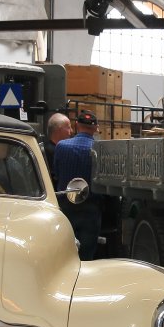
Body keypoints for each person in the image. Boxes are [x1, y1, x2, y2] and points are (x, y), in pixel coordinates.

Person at [52, 109, 101, 259]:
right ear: (95, 128)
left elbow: (56, 173)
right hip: (91, 208)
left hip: (66, 207)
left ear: (77, 125)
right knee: (86, 255)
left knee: (64, 254)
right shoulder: (100, 149)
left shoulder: (61, 146)